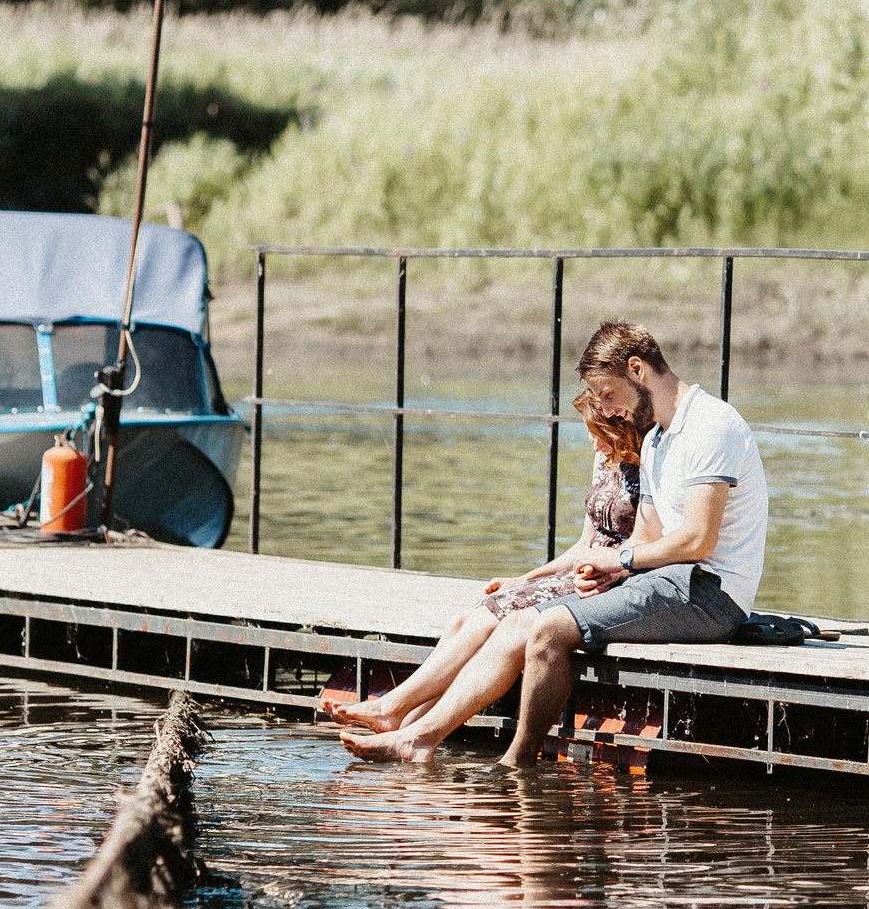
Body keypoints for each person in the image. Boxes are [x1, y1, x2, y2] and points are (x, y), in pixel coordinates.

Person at [340, 321, 766, 765]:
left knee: (548, 630)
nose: (605, 408)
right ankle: (419, 738)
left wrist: (620, 557)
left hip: (710, 593)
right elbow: (647, 538)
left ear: (637, 369)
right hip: (665, 583)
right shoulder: (657, 440)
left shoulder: (710, 424)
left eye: (607, 393)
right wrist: (610, 569)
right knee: (517, 621)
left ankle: (516, 762)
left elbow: (698, 539)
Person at [324, 390, 646, 737]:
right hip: (579, 571)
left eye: (599, 434)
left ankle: (392, 709)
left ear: (620, 427)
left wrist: (604, 568)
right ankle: (402, 724)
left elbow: (644, 544)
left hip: (609, 580)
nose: (594, 444)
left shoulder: (650, 464)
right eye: (590, 434)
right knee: (471, 614)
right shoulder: (603, 459)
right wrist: (524, 577)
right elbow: (584, 544)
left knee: (493, 613)